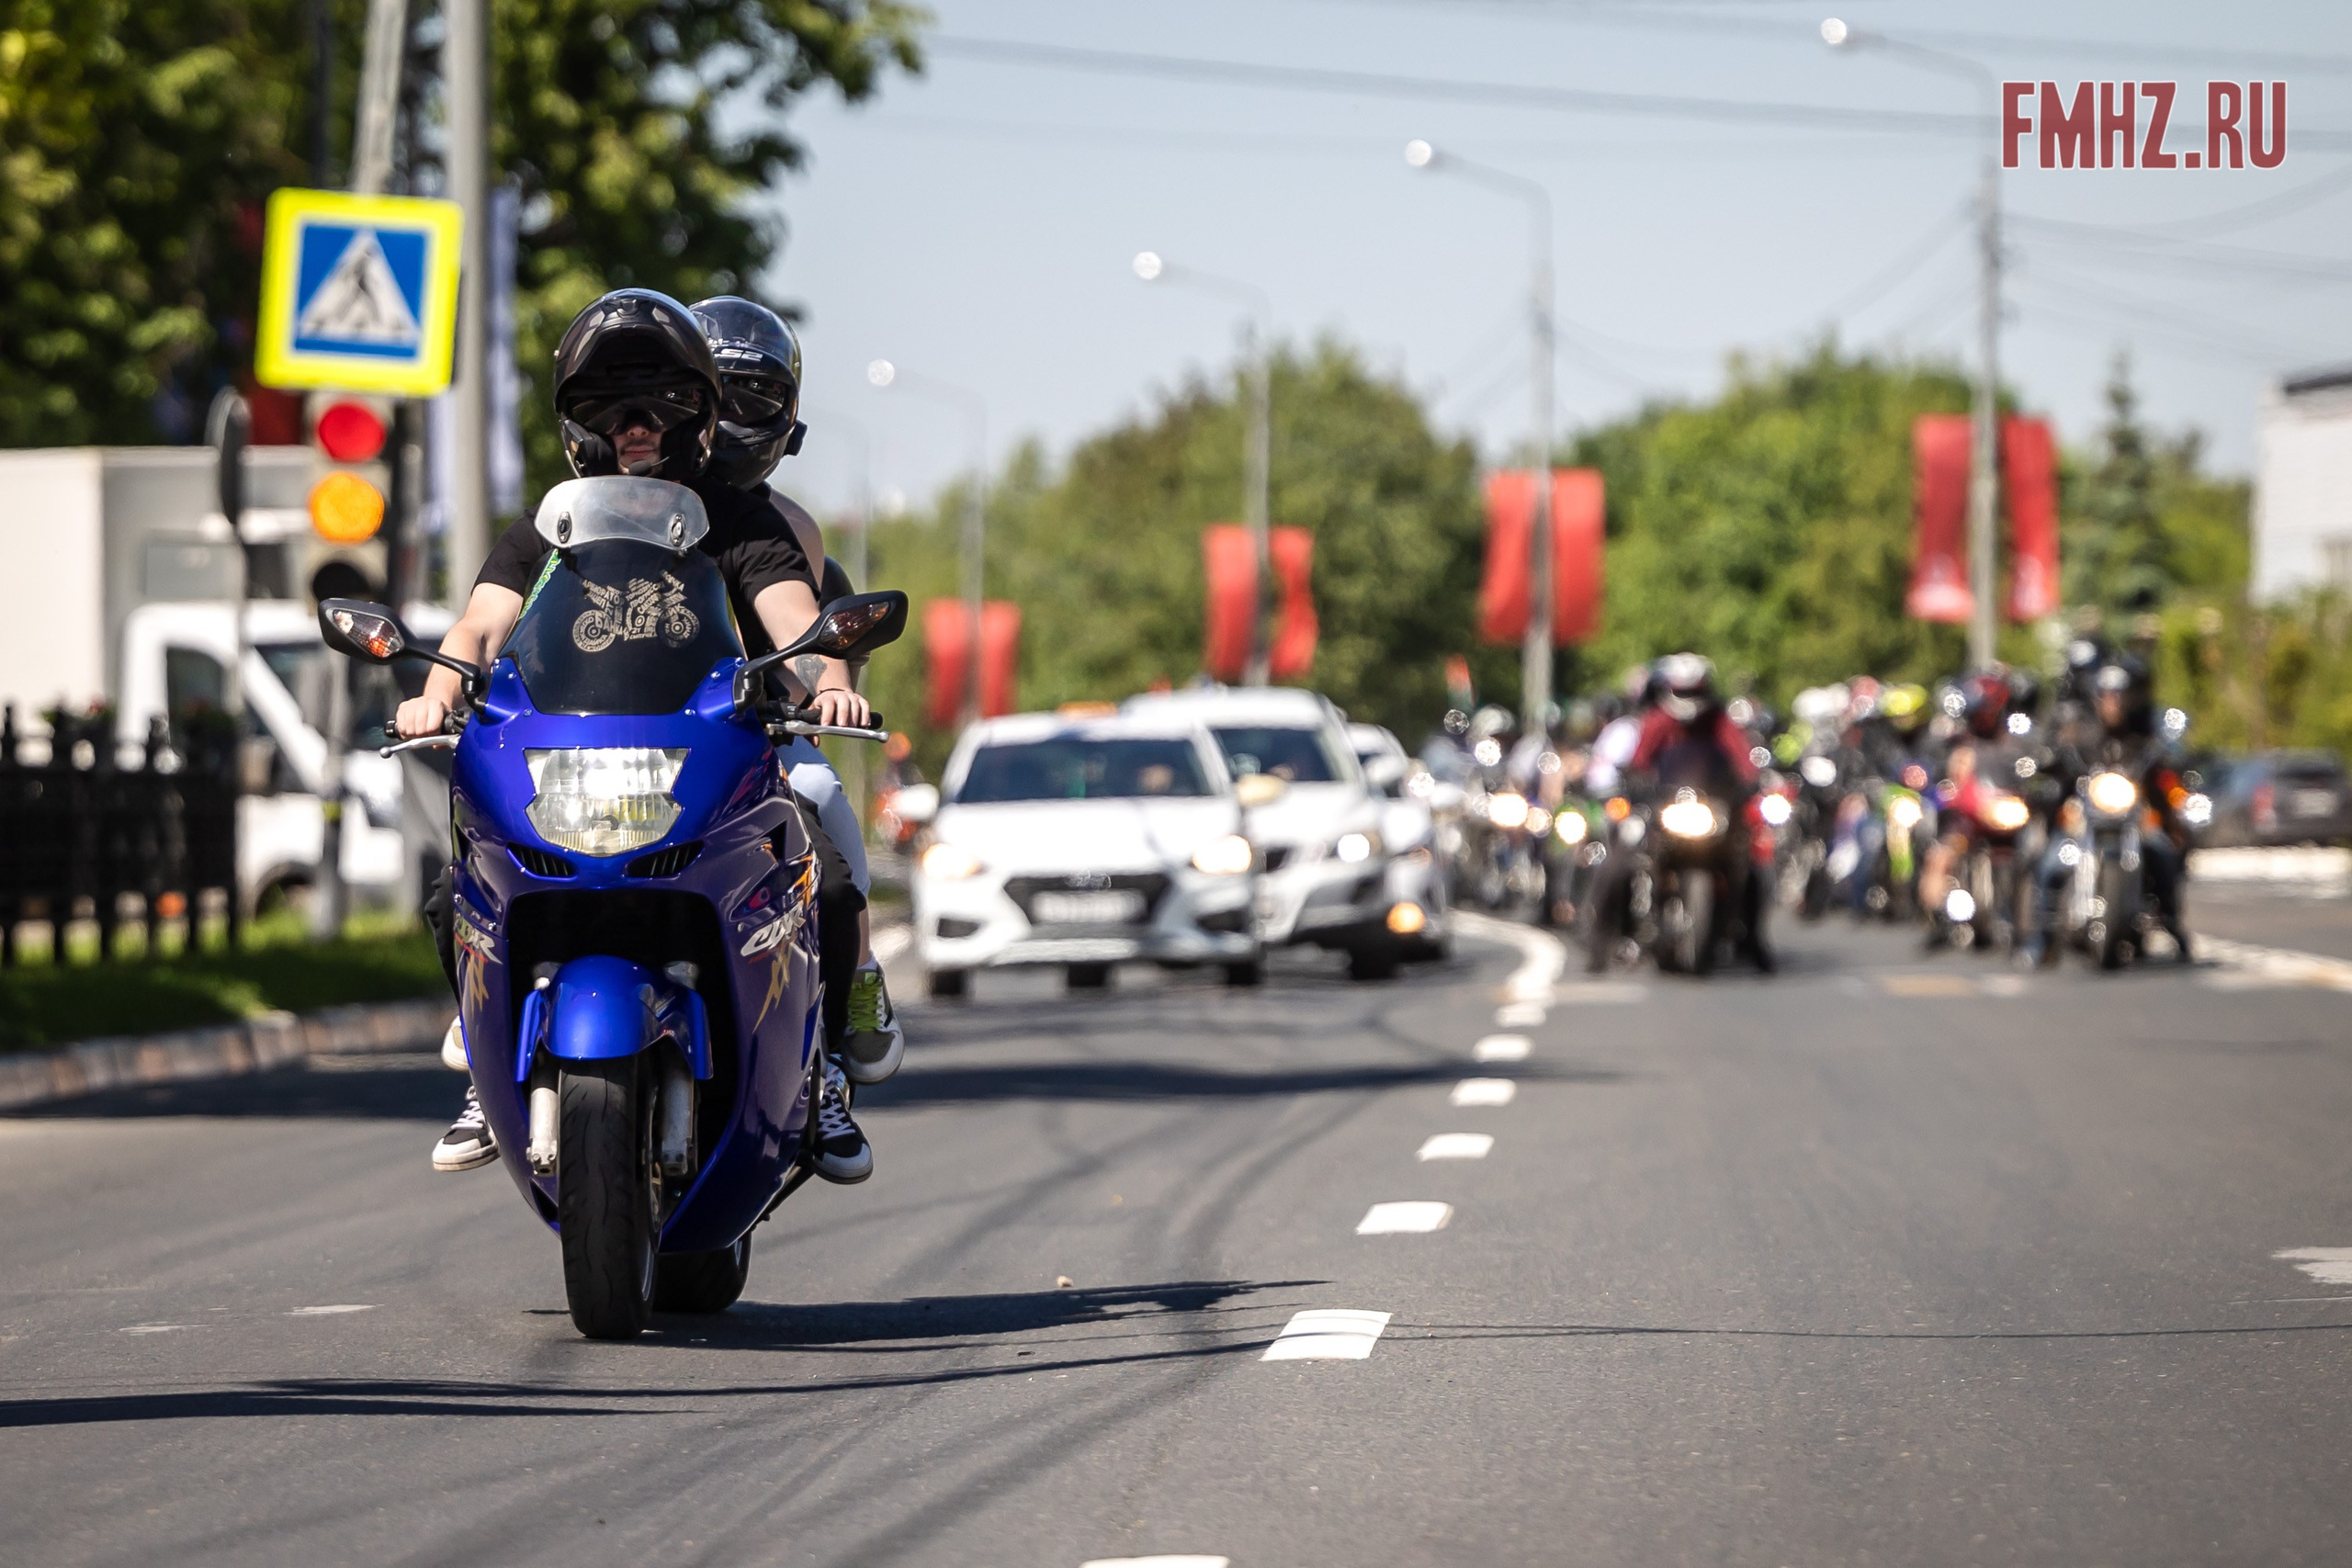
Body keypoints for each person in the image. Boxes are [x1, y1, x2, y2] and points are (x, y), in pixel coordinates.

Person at [401, 288, 876, 1183]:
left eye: (659, 404)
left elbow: (795, 621)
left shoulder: (739, 521)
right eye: (609, 406)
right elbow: (476, 629)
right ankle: (485, 1049)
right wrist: (434, 694)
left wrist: (831, 684)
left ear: (700, 413)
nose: (635, 427)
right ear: (575, 420)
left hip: (730, 749)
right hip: (572, 750)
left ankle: (818, 1077)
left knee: (818, 838)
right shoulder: (551, 525)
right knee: (463, 867)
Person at [692, 294, 903, 1089]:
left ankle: (856, 984)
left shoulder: (785, 528)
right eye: (713, 394)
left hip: (755, 737)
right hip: (634, 735)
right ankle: (482, 994)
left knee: (823, 799)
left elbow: (813, 633)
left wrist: (833, 688)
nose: (730, 418)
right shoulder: (611, 512)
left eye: (753, 397)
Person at [2024, 654, 2191, 965]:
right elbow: (2058, 757)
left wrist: (2169, 757)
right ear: (2097, 698)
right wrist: (2050, 759)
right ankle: (2041, 939)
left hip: (2132, 820)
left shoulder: (2144, 736)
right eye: (2107, 696)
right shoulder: (2081, 734)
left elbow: (2166, 760)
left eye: (2120, 696)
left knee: (2164, 853)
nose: (2114, 702)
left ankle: (2171, 924)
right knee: (2049, 864)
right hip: (2085, 819)